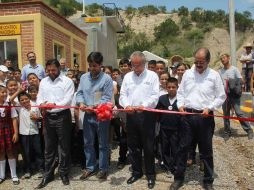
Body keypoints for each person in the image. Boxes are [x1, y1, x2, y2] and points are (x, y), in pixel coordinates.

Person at [170, 48, 226, 190]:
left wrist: (210, 107)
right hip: (187, 116)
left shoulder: (214, 75)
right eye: (196, 61)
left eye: (201, 62)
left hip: (205, 117)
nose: (198, 65)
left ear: (208, 61)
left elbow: (221, 96)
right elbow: (181, 92)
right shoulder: (188, 74)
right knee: (183, 148)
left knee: (206, 150)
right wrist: (180, 105)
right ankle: (178, 178)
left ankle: (208, 180)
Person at [119, 51, 160, 189]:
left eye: (137, 65)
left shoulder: (152, 76)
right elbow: (122, 95)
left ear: (144, 63)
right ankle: (137, 172)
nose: (134, 67)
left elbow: (155, 95)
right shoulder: (127, 77)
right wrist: (126, 105)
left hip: (146, 115)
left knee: (148, 147)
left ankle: (150, 174)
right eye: (133, 64)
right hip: (131, 115)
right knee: (133, 146)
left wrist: (145, 106)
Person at [36, 59, 74, 189]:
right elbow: (39, 97)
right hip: (47, 117)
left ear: (58, 68)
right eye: (49, 70)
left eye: (53, 70)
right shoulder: (43, 82)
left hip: (62, 116)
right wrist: (42, 104)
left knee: (64, 146)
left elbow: (68, 100)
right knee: (49, 147)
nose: (51, 72)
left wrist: (53, 106)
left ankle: (64, 172)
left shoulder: (67, 81)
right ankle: (49, 174)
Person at [76, 52, 113, 181]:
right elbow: (79, 92)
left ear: (101, 65)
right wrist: (81, 102)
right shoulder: (84, 78)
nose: (92, 68)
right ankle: (90, 167)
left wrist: (95, 106)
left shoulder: (107, 79)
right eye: (90, 65)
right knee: (88, 142)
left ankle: (103, 168)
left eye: (95, 66)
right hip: (88, 115)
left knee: (103, 143)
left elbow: (107, 97)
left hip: (102, 116)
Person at [218, 53, 253, 140]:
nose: (223, 60)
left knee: (239, 113)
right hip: (225, 96)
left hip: (234, 96)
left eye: (224, 58)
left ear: (228, 58)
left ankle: (249, 130)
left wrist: (232, 82)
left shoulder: (234, 69)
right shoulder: (220, 71)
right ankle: (227, 132)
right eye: (221, 59)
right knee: (226, 115)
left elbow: (242, 81)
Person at [156, 77, 180, 174]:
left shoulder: (181, 99)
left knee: (175, 148)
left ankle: (174, 166)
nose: (171, 89)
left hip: (176, 129)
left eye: (173, 87)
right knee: (165, 147)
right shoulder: (162, 99)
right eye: (169, 87)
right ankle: (166, 165)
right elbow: (157, 112)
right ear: (166, 87)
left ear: (177, 87)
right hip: (164, 128)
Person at [17, 92, 44, 178]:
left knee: (38, 151)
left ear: (29, 98)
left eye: (26, 99)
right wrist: (19, 90)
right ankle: (27, 170)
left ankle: (41, 168)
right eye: (22, 100)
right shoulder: (18, 108)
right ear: (19, 102)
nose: (24, 101)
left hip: (34, 132)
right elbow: (10, 100)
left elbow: (41, 118)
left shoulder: (35, 106)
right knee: (26, 152)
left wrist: (37, 118)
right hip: (24, 133)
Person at [0, 85, 19, 185]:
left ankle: (14, 175)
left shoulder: (9, 104)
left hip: (8, 130)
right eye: (2, 92)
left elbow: (14, 118)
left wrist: (16, 132)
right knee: (1, 153)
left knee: (10, 151)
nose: (4, 94)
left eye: (5, 92)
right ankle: (1, 175)